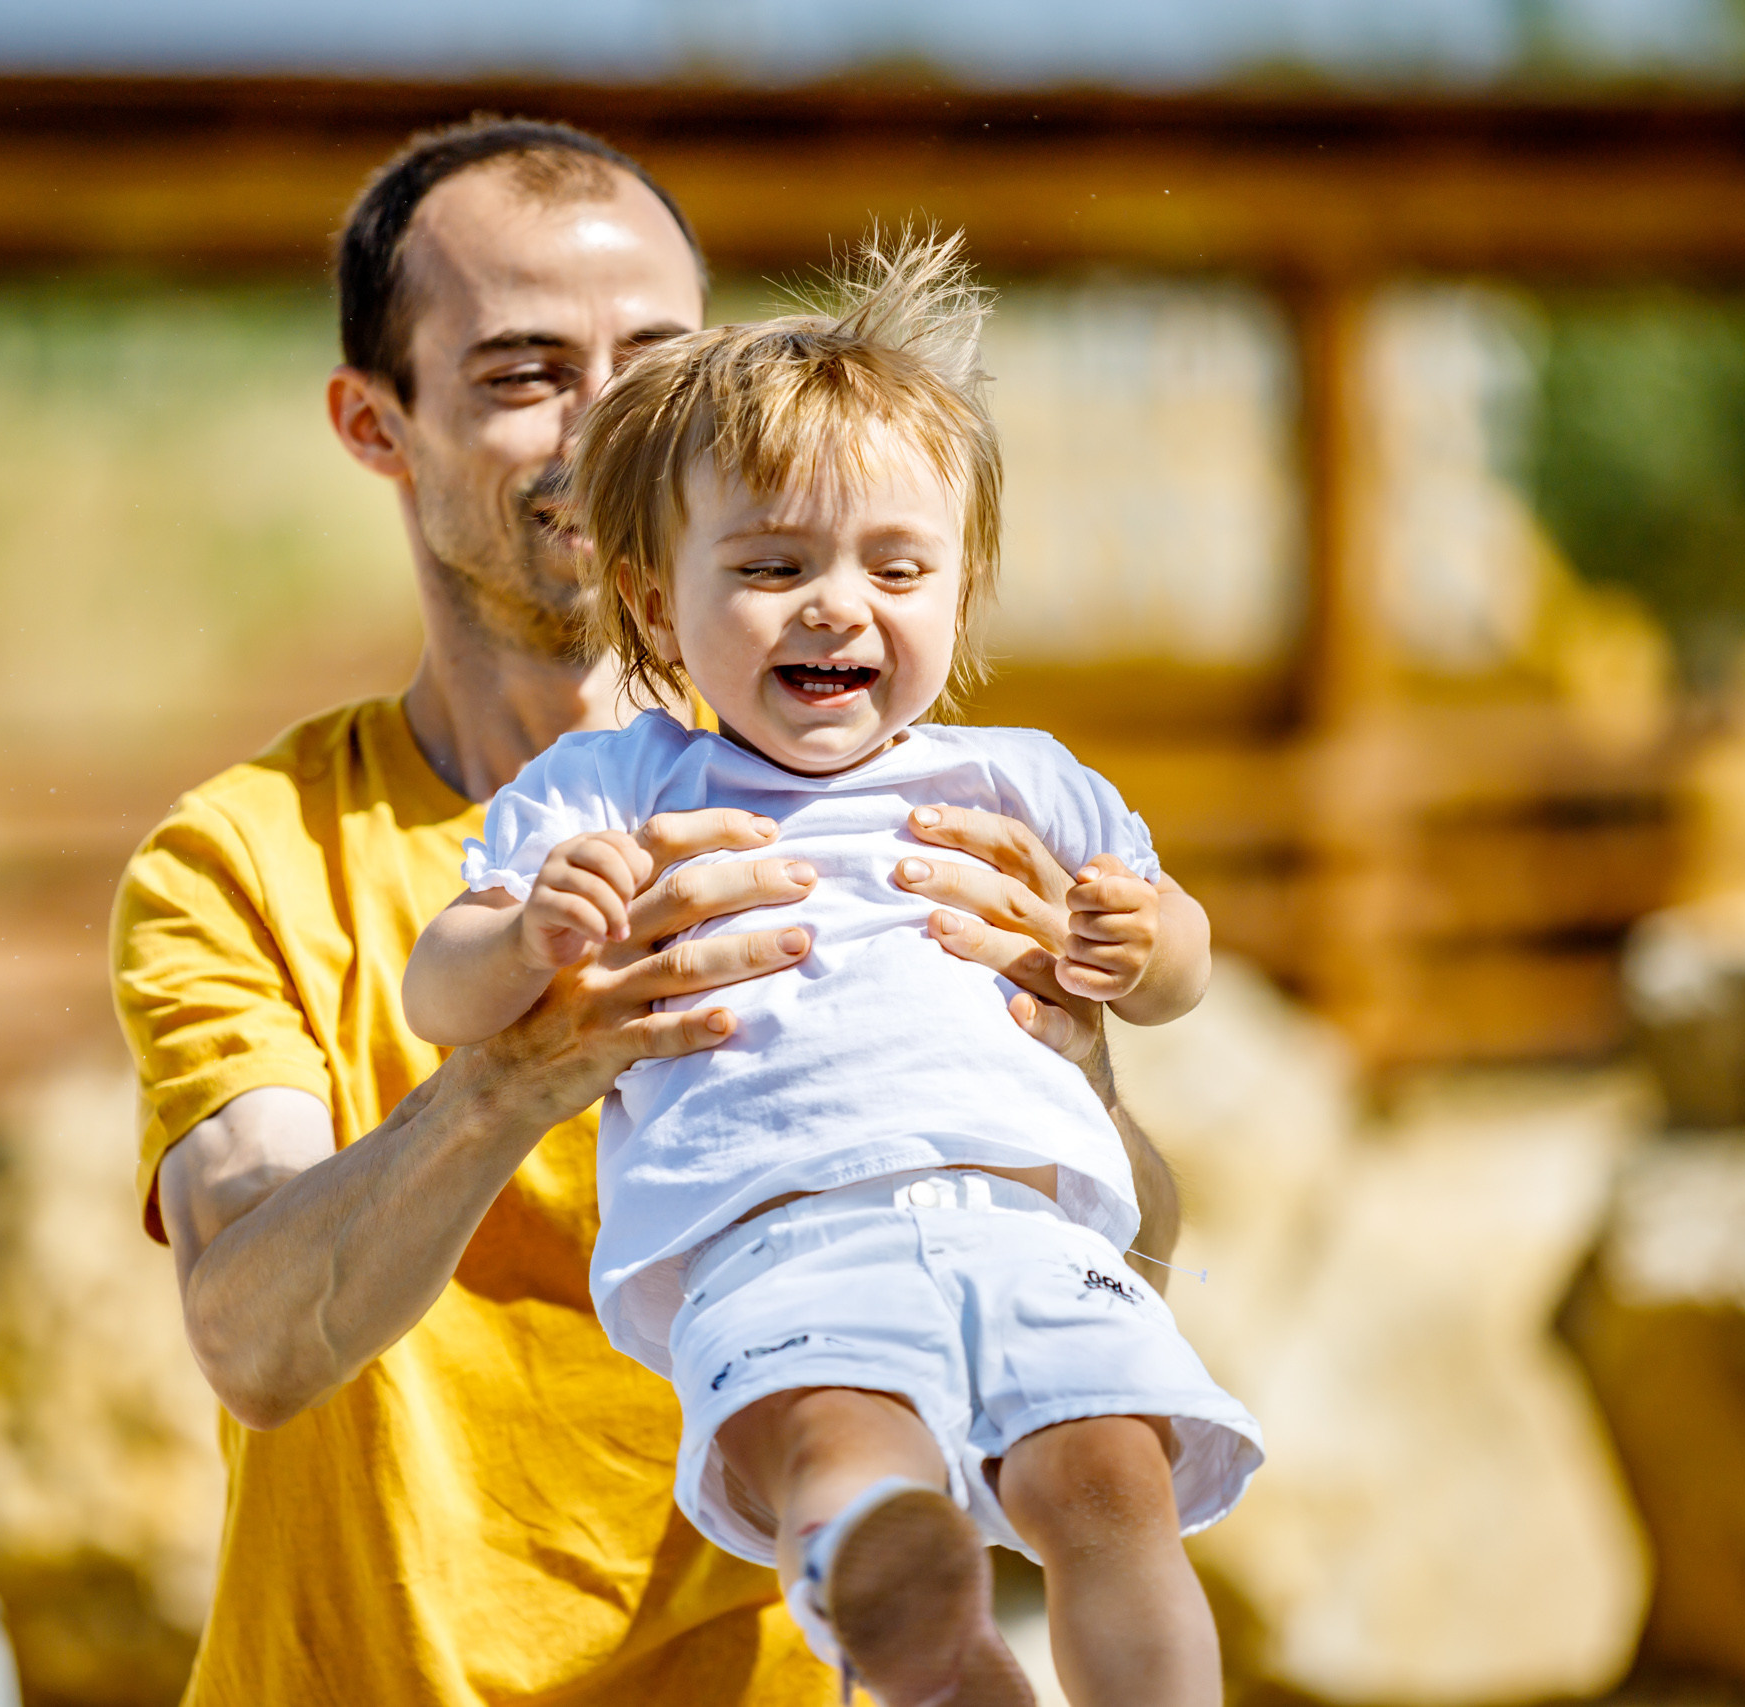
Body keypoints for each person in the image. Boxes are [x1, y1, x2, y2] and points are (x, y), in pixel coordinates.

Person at [113, 118, 1182, 1707]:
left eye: (655, 356)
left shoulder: (922, 796)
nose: (602, 413)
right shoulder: (243, 858)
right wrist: (517, 1073)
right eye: (523, 369)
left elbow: (1133, 1258)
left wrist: (1070, 1059)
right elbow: (258, 1340)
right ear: (374, 423)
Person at [402, 234, 1262, 1707]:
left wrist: (1139, 942)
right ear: (658, 607)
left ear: (961, 590)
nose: (834, 605)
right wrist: (538, 925)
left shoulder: (1024, 780)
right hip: (777, 1233)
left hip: (1028, 1222)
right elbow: (440, 988)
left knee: (1112, 1484)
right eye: (771, 565)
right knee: (838, 1443)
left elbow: (1177, 960)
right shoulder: (616, 781)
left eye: (895, 566)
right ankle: (917, 1615)